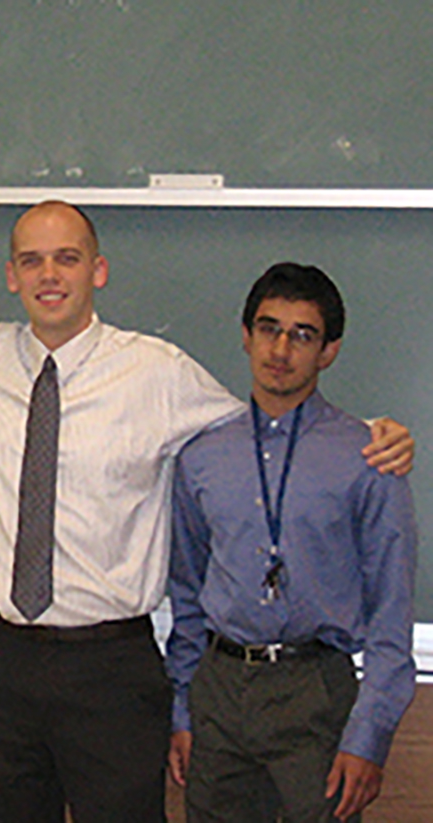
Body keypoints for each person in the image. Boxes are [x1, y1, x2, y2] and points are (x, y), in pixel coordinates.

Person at [0, 201, 413, 821]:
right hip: (0, 660)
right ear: (11, 275)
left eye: (67, 257)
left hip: (111, 668)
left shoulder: (157, 372)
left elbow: (260, 428)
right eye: (31, 259)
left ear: (99, 269)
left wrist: (371, 433)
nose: (49, 274)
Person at [166, 263, 416, 823]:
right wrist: (182, 712)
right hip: (221, 687)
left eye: (302, 334)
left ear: (328, 351)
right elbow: (185, 594)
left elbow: (391, 613)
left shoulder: (369, 458)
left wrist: (368, 737)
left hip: (316, 691)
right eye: (268, 328)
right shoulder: (201, 456)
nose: (281, 348)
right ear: (246, 335)